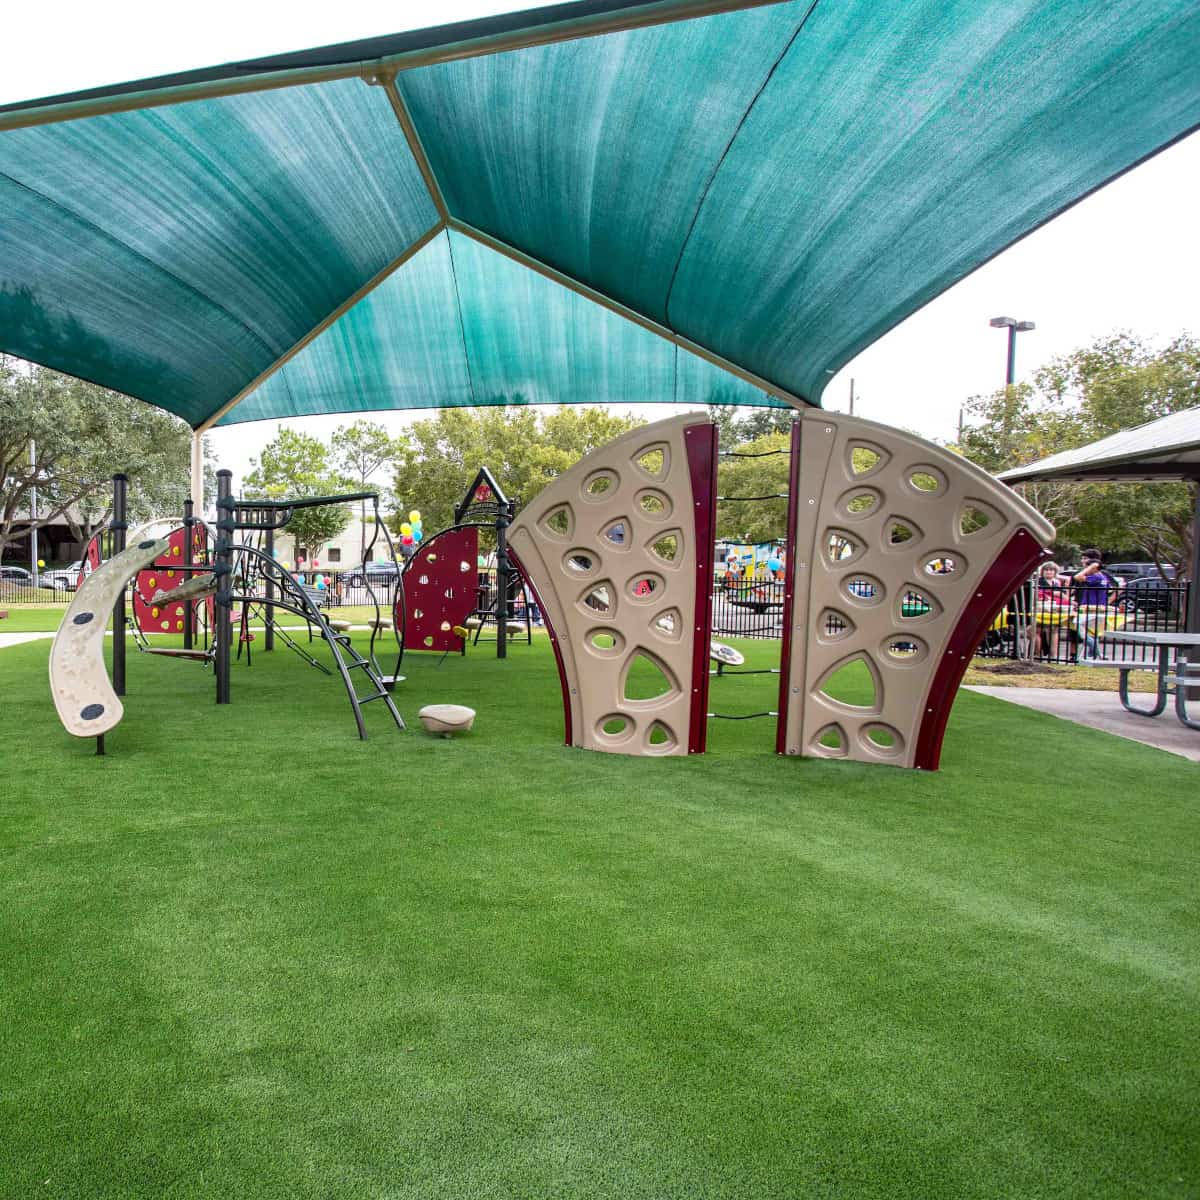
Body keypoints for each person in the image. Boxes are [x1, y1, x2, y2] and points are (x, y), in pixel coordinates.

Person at [1070, 548, 1122, 661]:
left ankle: (1098, 654)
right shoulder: (1102, 578)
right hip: (1096, 609)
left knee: (1081, 631)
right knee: (1093, 632)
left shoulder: (1095, 576)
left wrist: (1090, 568)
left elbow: (1077, 577)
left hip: (1090, 609)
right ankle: (1093, 656)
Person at [1033, 561, 1073, 659]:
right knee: (1035, 631)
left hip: (1054, 609)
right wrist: (1055, 594)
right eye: (1046, 570)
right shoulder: (1039, 581)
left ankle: (1053, 655)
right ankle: (1038, 654)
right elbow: (1038, 595)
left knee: (1054, 631)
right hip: (1041, 609)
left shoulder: (1056, 582)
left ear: (1055, 572)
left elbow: (1064, 597)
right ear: (1042, 571)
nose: (1048, 572)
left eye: (1051, 570)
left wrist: (1056, 593)